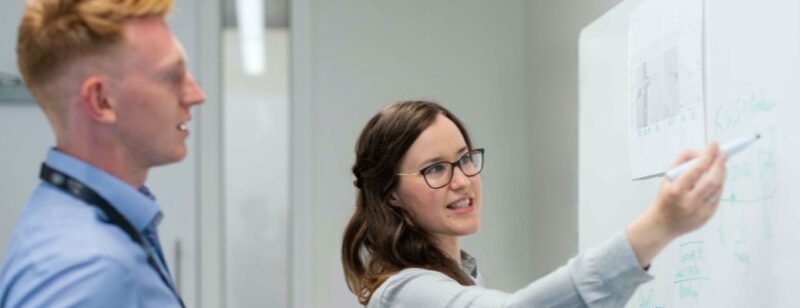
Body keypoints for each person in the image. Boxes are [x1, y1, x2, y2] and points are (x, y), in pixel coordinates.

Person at [342, 101, 726, 307]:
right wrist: (659, 225)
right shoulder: (405, 292)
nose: (461, 180)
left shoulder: (463, 274)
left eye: (463, 159)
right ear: (391, 193)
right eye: (435, 169)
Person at [0, 0, 204, 306]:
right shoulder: (88, 271)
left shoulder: (82, 225)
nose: (195, 95)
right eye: (172, 76)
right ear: (101, 102)